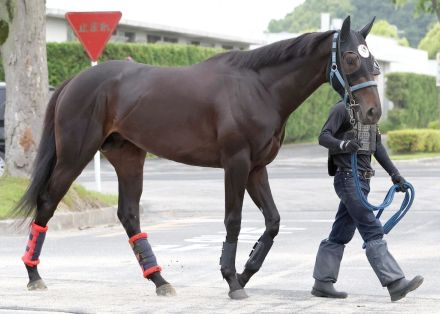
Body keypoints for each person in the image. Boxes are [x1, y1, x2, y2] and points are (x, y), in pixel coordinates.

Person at [311, 100, 424, 301]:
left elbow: (377, 146)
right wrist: (344, 144)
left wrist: (395, 174)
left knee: (341, 232)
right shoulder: (341, 109)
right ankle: (395, 283)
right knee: (371, 228)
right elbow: (323, 136)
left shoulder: (370, 113)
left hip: (363, 180)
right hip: (347, 177)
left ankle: (322, 282)